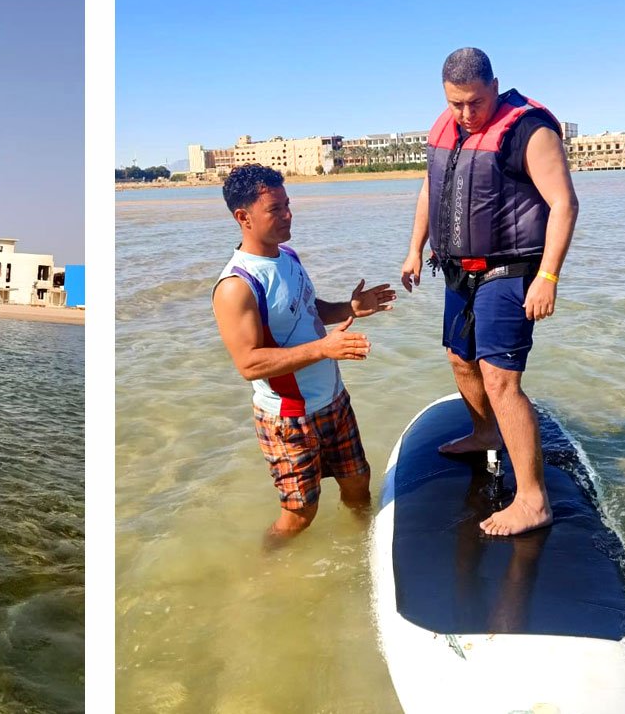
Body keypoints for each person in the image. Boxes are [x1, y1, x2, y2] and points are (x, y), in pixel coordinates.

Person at [400, 48, 579, 536]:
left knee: (500, 379)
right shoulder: (447, 127)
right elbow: (431, 188)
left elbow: (564, 204)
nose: (465, 113)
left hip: (511, 268)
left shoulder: (529, 131)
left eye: (475, 102)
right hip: (459, 270)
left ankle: (533, 500)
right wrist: (414, 249)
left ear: (495, 87)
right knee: (460, 359)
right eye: (455, 103)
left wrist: (548, 277)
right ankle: (484, 432)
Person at [212, 164, 396, 544]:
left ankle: (360, 551)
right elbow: (249, 363)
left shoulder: (288, 256)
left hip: (333, 401)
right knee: (299, 515)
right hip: (289, 417)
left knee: (358, 483)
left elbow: (308, 310)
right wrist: (324, 348)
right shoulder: (237, 285)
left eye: (288, 205)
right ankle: (265, 567)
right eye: (275, 209)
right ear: (243, 217)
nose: (288, 215)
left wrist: (349, 308)